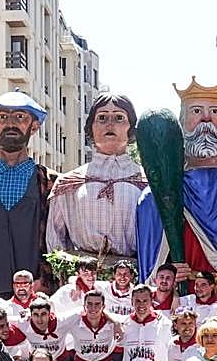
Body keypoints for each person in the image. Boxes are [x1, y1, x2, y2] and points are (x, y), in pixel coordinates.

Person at [137, 78, 217, 280]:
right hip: (184, 301)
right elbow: (151, 269)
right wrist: (167, 272)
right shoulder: (154, 197)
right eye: (196, 111)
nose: (206, 119)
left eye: (214, 111)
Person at [0, 90, 58, 297]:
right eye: (2, 117)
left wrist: (45, 281)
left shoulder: (50, 184)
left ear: (34, 126)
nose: (10, 124)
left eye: (20, 117)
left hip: (36, 300)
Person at [47, 93, 147, 262]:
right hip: (81, 279)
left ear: (131, 128)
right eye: (102, 118)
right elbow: (55, 240)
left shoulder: (147, 182)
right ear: (90, 128)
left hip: (134, 278)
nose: (110, 123)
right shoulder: (69, 182)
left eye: (119, 118)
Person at [117, 284, 171, 361]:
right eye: (137, 301)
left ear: (152, 301)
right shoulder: (123, 323)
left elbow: (172, 351)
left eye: (145, 300)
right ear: (131, 301)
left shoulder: (164, 324)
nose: (141, 305)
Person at [59, 289, 123, 361]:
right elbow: (57, 320)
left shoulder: (113, 323)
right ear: (84, 306)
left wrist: (117, 323)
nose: (93, 308)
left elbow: (131, 318)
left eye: (97, 304)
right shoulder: (74, 322)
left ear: (104, 306)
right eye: (89, 304)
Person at [25, 297, 67, 361]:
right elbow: (7, 319)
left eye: (43, 314)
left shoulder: (63, 321)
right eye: (36, 315)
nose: (40, 319)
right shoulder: (23, 323)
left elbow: (79, 312)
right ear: (30, 315)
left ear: (50, 313)